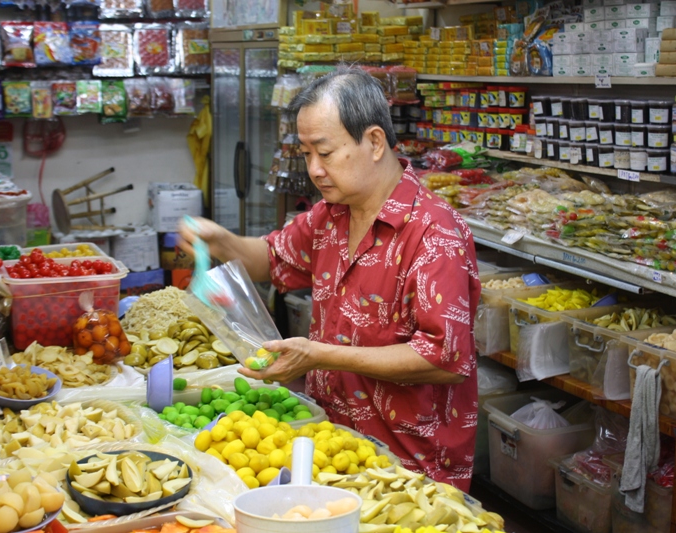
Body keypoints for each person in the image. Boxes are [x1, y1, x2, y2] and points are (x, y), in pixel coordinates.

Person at [179, 67, 481, 490]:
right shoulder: (331, 215)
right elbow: (273, 258)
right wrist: (221, 240)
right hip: (330, 442)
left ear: (374, 142)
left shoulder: (435, 234)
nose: (315, 169)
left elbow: (444, 358)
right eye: (306, 154)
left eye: (324, 151)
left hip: (410, 463)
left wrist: (320, 355)